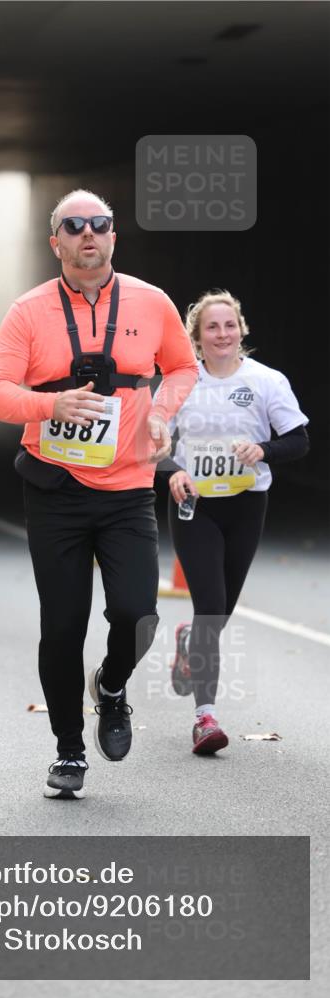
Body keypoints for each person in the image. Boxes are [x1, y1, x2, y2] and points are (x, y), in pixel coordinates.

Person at [0, 188, 198, 800]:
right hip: (56, 489)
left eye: (99, 225)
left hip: (127, 487)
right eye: (74, 227)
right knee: (63, 626)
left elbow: (181, 368)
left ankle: (114, 685)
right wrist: (51, 402)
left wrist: (164, 414)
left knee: (137, 613)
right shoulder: (28, 310)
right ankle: (69, 751)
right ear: (56, 243)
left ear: (113, 238)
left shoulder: (151, 302)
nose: (88, 235)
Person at [165, 290, 309, 754]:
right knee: (210, 606)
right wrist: (174, 471)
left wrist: (263, 450)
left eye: (230, 325)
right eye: (212, 327)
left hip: (247, 504)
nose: (222, 334)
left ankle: (189, 641)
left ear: (241, 329)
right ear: (197, 336)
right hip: (194, 505)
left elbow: (299, 440)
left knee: (219, 611)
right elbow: (150, 446)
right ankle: (204, 717)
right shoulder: (180, 383)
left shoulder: (267, 382)